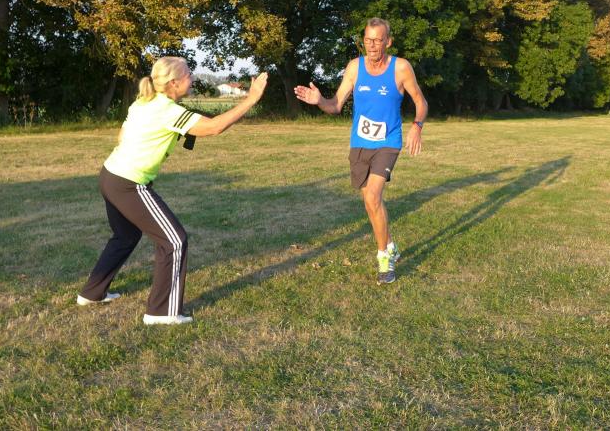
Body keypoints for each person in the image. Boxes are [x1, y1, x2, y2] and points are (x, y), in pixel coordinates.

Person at [77, 57, 268, 325]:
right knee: (174, 241)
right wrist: (252, 98)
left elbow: (122, 136)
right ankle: (161, 312)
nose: (193, 78)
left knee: (125, 236)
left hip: (110, 175)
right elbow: (214, 127)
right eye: (189, 74)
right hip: (128, 183)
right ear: (174, 82)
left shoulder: (144, 102)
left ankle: (92, 293)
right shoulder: (168, 111)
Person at [294, 17, 428, 285]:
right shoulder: (355, 67)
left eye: (378, 40)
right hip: (359, 143)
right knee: (370, 201)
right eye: (368, 40)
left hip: (388, 142)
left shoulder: (401, 68)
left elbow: (420, 101)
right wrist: (319, 101)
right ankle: (390, 245)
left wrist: (416, 126)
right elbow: (335, 105)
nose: (372, 45)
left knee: (373, 197)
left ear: (388, 42)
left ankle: (383, 259)